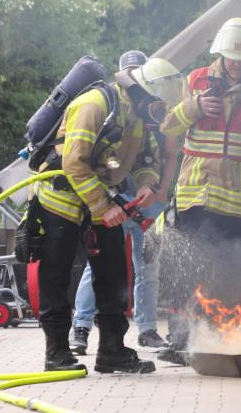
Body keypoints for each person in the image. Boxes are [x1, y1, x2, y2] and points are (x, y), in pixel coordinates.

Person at [34, 56, 183, 373]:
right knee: (56, 275)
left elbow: (146, 159)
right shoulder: (94, 105)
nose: (160, 113)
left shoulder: (136, 117)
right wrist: (103, 207)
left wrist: (147, 185)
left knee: (113, 274)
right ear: (143, 93)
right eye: (159, 105)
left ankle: (111, 351)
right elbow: (74, 162)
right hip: (61, 201)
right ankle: (57, 353)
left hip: (101, 200)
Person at [159, 17, 241, 355]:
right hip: (197, 196)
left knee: (232, 275)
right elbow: (168, 126)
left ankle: (217, 341)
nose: (235, 64)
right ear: (220, 52)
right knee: (188, 271)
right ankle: (180, 342)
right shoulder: (195, 80)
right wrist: (194, 107)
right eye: (230, 57)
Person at [69, 51, 170, 355]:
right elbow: (81, 160)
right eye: (131, 73)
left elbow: (153, 157)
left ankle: (147, 329)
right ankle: (81, 327)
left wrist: (153, 187)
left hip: (146, 202)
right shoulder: (109, 109)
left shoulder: (150, 111)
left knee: (148, 267)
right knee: (98, 266)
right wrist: (101, 204)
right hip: (110, 200)